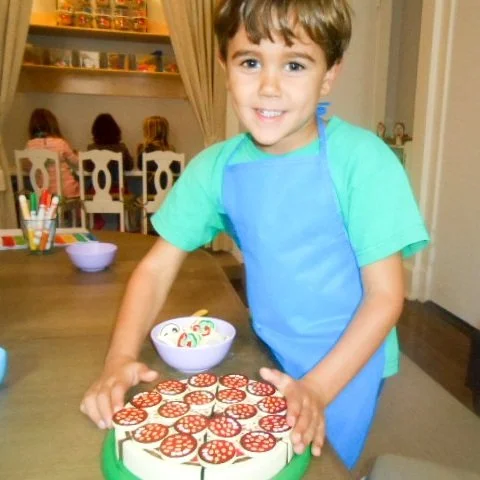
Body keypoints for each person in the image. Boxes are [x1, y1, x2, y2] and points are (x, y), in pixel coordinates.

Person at [81, 0, 430, 469]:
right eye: (250, 62)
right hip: (267, 347)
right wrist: (119, 358)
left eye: (294, 64)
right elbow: (156, 269)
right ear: (225, 67)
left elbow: (386, 296)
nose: (269, 86)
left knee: (312, 468)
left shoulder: (363, 161)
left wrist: (318, 388)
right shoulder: (215, 169)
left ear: (328, 76)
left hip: (349, 360)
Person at [25, 108, 80, 198]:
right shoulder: (60, 143)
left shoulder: (30, 145)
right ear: (53, 124)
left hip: (43, 194)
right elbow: (77, 163)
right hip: (65, 192)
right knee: (80, 185)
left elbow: (27, 167)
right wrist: (77, 154)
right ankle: (76, 211)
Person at [86, 113, 134, 192]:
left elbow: (88, 168)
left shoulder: (91, 148)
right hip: (118, 190)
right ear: (115, 130)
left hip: (97, 191)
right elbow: (129, 166)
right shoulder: (121, 148)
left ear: (95, 131)